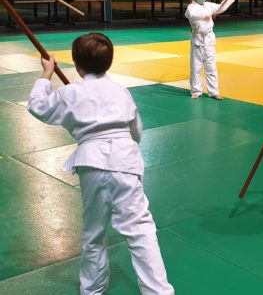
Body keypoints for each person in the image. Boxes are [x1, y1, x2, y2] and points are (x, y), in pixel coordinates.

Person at [27, 33, 174, 295]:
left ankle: (92, 289)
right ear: (109, 62)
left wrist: (47, 73)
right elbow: (136, 131)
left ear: (77, 65)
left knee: (93, 231)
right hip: (125, 161)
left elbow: (38, 106)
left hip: (91, 164)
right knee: (140, 230)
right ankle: (158, 291)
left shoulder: (70, 93)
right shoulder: (121, 92)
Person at [185, 0, 236, 100]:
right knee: (196, 67)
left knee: (211, 66)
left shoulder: (208, 5)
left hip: (209, 38)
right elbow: (194, 16)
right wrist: (209, 14)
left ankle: (213, 92)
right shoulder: (191, 7)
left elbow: (220, 8)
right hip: (197, 39)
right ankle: (196, 91)